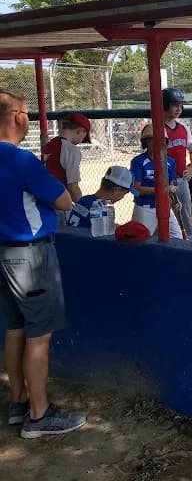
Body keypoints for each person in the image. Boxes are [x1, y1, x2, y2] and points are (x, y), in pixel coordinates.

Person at [0, 90, 86, 438]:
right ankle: (40, 416)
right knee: (39, 336)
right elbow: (64, 200)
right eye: (26, 115)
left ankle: (19, 402)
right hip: (29, 254)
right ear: (18, 117)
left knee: (15, 329)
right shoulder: (19, 160)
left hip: (3, 253)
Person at [130, 123, 183, 239]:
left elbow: (171, 185)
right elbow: (136, 189)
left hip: (164, 206)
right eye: (151, 141)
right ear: (146, 143)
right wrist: (162, 190)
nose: (156, 144)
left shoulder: (170, 162)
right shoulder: (138, 161)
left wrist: (175, 200)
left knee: (177, 238)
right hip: (145, 208)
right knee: (140, 240)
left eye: (160, 141)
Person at [163, 88, 192, 240]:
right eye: (174, 105)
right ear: (164, 105)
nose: (179, 108)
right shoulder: (156, 129)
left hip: (181, 180)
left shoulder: (183, 128)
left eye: (181, 105)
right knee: (166, 218)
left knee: (186, 218)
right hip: (163, 182)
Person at [41, 112, 92, 203]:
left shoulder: (49, 145)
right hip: (59, 200)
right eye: (83, 137)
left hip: (43, 198)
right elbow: (72, 186)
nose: (81, 141)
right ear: (79, 131)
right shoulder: (71, 150)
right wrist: (83, 208)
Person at [65, 166, 132, 230]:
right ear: (116, 190)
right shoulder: (98, 208)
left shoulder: (84, 200)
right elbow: (106, 232)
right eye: (124, 193)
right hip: (83, 241)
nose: (122, 197)